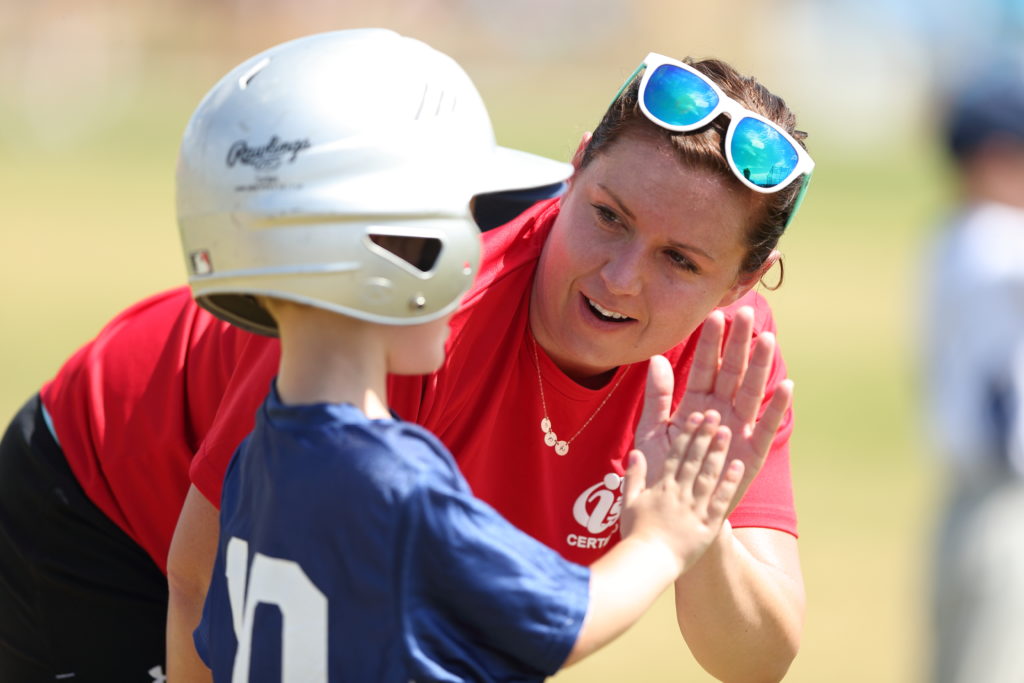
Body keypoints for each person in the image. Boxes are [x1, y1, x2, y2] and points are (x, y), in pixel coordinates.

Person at [0, 33, 811, 683]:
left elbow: (757, 663)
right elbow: (199, 574)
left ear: (742, 281)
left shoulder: (725, 365)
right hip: (102, 503)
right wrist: (658, 543)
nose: (622, 275)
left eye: (681, 261)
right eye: (607, 215)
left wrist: (695, 530)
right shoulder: (420, 286)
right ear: (572, 170)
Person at [183, 33, 750, 681]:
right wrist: (663, 538)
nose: (476, 256)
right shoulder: (400, 483)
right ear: (385, 259)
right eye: (453, 230)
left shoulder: (261, 455)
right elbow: (568, 617)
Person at [921, 56, 1024, 683]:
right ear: (994, 158)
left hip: (969, 497)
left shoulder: (953, 236)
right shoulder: (996, 240)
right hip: (1004, 503)